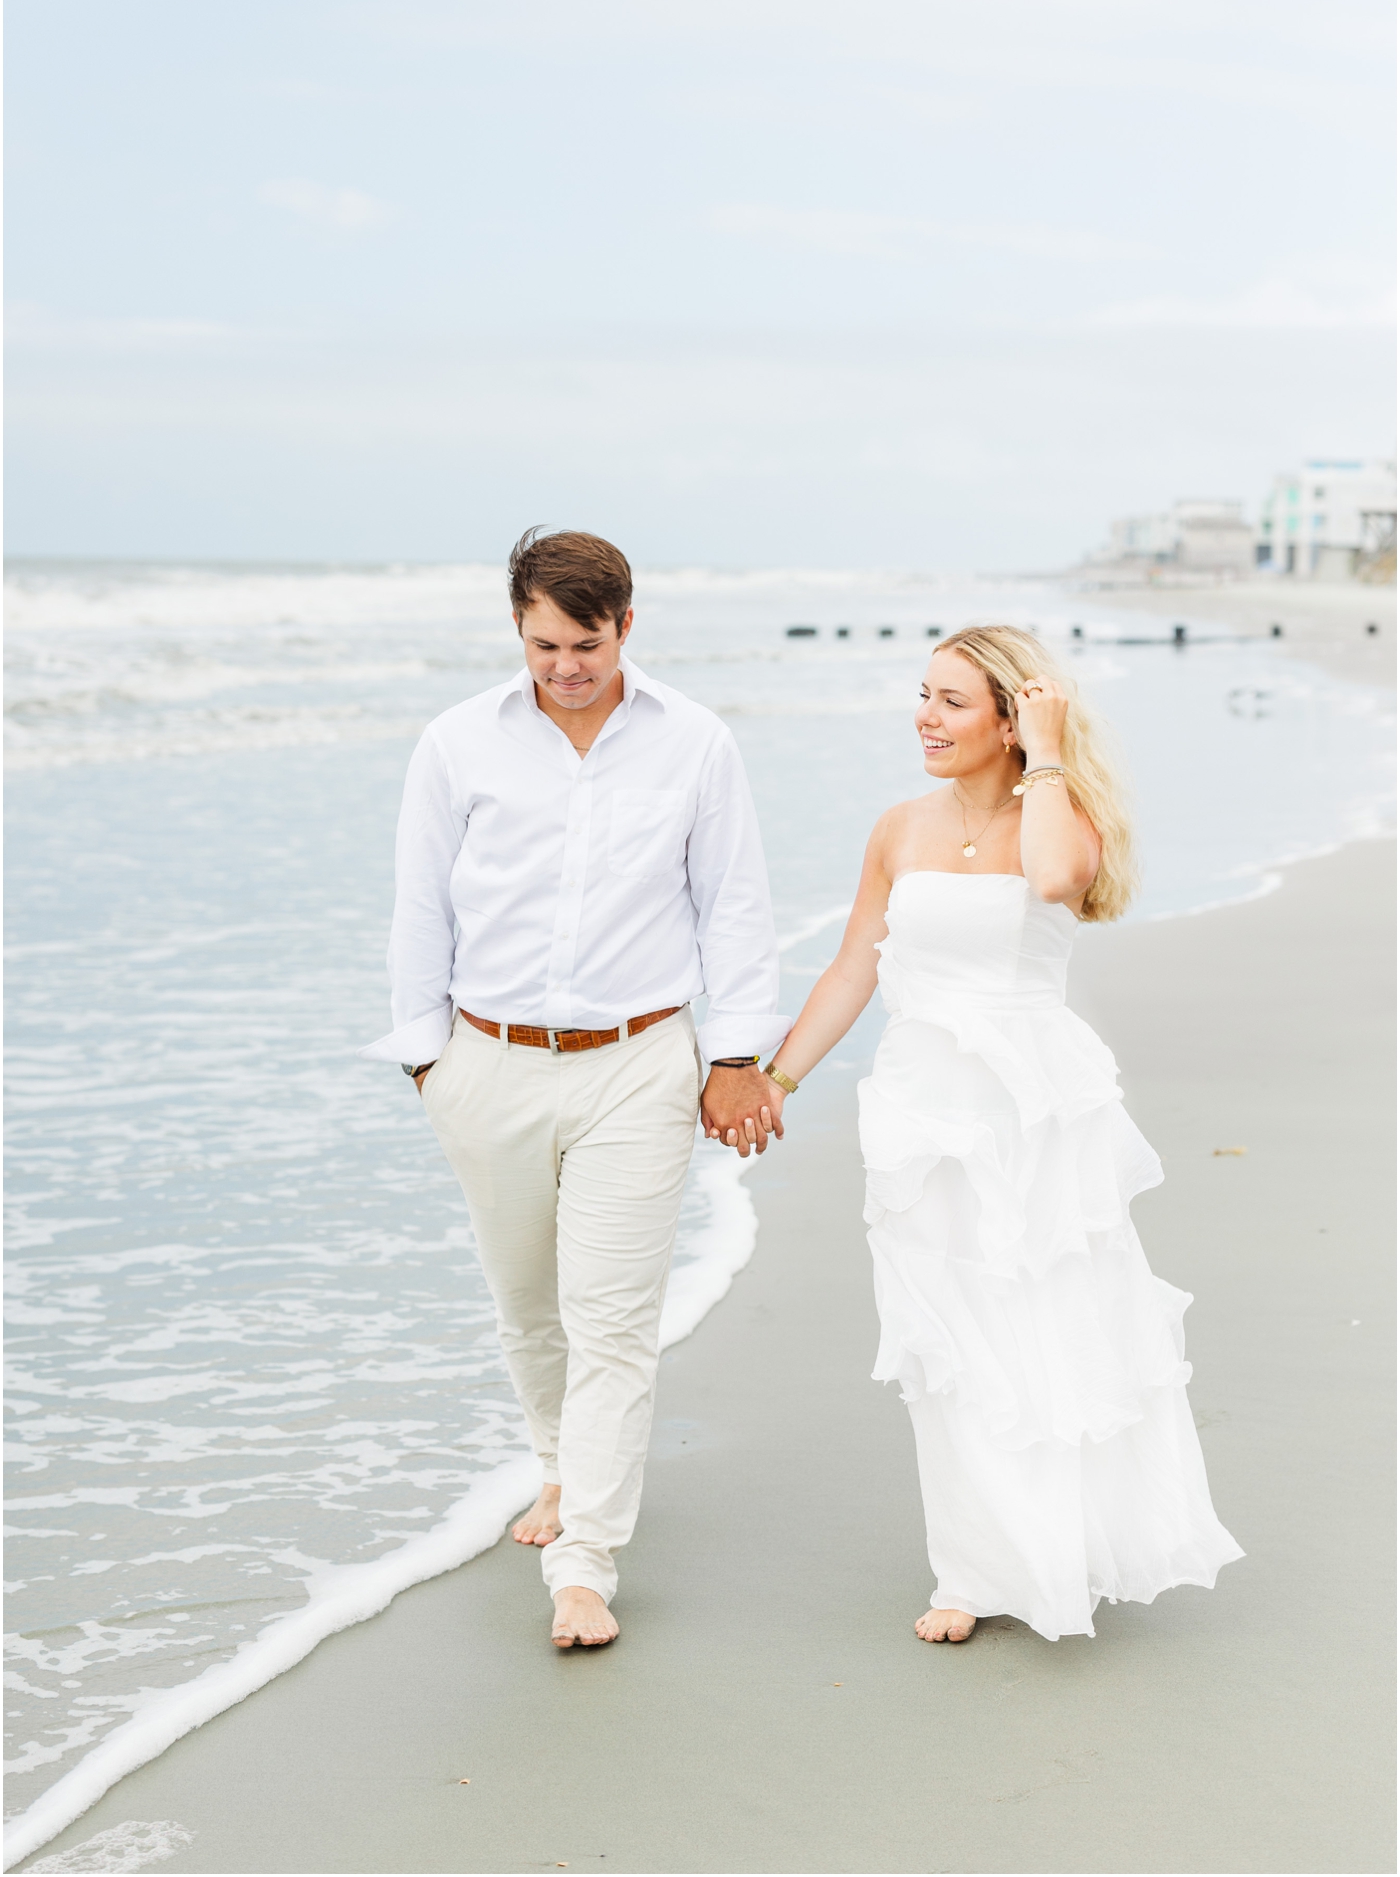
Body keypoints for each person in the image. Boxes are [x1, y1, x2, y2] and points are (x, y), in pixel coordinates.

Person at [757, 625, 1244, 1644]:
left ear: (1010, 720)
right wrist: (778, 1077)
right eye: (921, 697)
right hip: (916, 1111)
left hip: (1032, 1110)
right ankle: (970, 1570)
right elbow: (853, 967)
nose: (924, 719)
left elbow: (1062, 880)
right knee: (946, 1339)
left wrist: (1054, 751)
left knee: (1042, 1322)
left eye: (950, 702)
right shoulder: (896, 828)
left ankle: (1060, 1547)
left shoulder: (1054, 813)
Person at [361, 528, 787, 1649]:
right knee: (525, 1304)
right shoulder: (456, 743)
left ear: (626, 628)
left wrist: (736, 1056)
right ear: (517, 627)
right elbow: (420, 907)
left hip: (638, 1066)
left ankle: (585, 1564)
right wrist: (425, 1058)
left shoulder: (694, 743)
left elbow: (731, 905)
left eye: (586, 644)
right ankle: (559, 1470)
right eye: (545, 643)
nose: (565, 667)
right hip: (483, 1062)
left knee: (610, 1322)